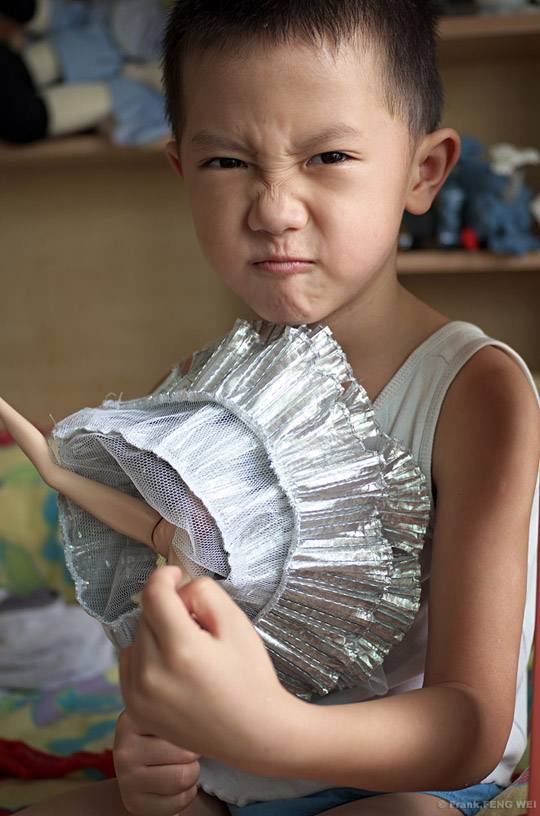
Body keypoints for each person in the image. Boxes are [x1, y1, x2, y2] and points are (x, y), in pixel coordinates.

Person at [17, 0, 540, 814]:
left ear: (423, 172)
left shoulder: (477, 392)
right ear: (183, 173)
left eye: (328, 155)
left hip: (412, 782)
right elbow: (168, 627)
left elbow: (471, 724)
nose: (273, 209)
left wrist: (274, 733)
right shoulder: (193, 390)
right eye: (227, 162)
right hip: (236, 779)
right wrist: (154, 747)